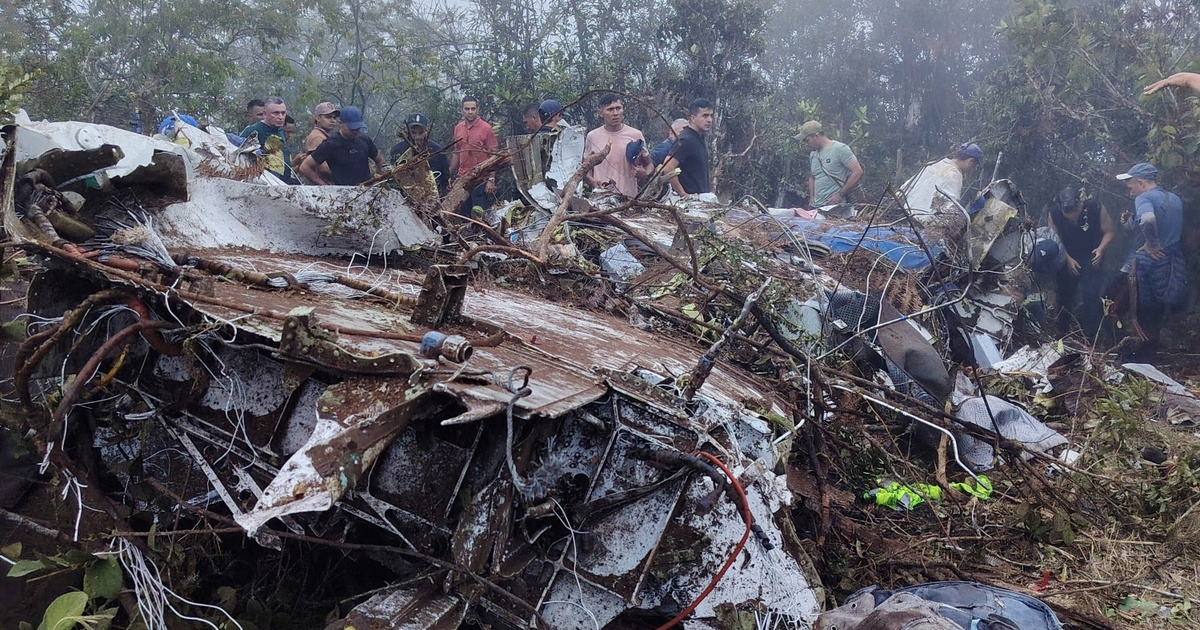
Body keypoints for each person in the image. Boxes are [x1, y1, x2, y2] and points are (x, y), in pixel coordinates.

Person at [1114, 163, 1186, 357]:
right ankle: (1148, 356)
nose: (1130, 193)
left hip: (1150, 262)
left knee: (1138, 308)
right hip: (1171, 261)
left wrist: (1152, 244)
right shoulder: (1174, 199)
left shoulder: (1144, 197)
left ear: (1140, 182)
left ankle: (1135, 358)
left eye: (1131, 187)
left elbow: (1147, 219)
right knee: (1156, 310)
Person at [1045, 186, 1115, 340]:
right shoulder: (1054, 212)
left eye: (1073, 211)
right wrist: (1067, 258)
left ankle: (1090, 337)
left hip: (1091, 255)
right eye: (1066, 212)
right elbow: (1054, 238)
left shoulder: (1095, 207)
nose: (1070, 216)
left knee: (1091, 294)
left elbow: (1109, 231)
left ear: (1080, 204)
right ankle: (1062, 334)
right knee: (1064, 296)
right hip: (1066, 255)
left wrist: (1101, 249)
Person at [297, 106, 385, 186]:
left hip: (365, 190)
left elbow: (379, 159)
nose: (355, 131)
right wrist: (323, 185)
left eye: (357, 128)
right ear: (340, 123)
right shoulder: (330, 143)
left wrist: (377, 179)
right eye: (351, 128)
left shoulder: (364, 139)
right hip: (343, 192)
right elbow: (305, 167)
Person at [583, 94, 647, 198]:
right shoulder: (592, 136)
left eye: (618, 108)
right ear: (601, 113)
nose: (615, 113)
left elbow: (649, 164)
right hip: (602, 198)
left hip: (629, 199)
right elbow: (586, 166)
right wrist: (591, 180)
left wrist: (644, 173)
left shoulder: (635, 135)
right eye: (610, 109)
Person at [901, 143, 982, 223]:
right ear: (971, 162)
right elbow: (948, 211)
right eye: (974, 166)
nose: (972, 170)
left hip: (904, 215)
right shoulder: (954, 174)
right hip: (922, 224)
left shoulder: (933, 164)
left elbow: (905, 188)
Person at [449, 96, 500, 214]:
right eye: (467, 109)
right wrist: (449, 174)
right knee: (462, 214)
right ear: (462, 110)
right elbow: (456, 152)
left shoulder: (486, 128)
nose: (470, 112)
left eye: (473, 108)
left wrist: (491, 179)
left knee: (480, 214)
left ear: (478, 109)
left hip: (481, 179)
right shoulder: (458, 128)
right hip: (462, 178)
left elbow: (494, 155)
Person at [796, 120, 864, 207]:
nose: (806, 144)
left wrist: (840, 194)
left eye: (807, 140)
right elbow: (812, 176)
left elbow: (857, 172)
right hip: (817, 207)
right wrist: (812, 199)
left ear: (816, 135)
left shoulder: (839, 149)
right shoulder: (813, 155)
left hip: (836, 207)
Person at [661, 99, 715, 195]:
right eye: (705, 116)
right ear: (693, 118)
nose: (710, 120)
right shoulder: (686, 140)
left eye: (711, 116)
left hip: (701, 201)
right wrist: (683, 194)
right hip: (690, 205)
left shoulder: (698, 138)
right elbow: (668, 167)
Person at [390, 113, 451, 195]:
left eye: (420, 133)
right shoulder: (397, 150)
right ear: (408, 131)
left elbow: (445, 178)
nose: (417, 137)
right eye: (414, 133)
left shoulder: (438, 150)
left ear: (426, 132)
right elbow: (394, 179)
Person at [241, 97, 296, 183]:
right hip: (265, 183)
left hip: (284, 182)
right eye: (276, 113)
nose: (281, 117)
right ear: (265, 114)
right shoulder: (253, 130)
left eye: (283, 113)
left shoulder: (281, 130)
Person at [293, 102, 339, 183]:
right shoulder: (318, 137)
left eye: (334, 118)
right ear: (318, 118)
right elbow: (322, 167)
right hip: (323, 185)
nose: (332, 121)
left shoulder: (322, 135)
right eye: (328, 117)